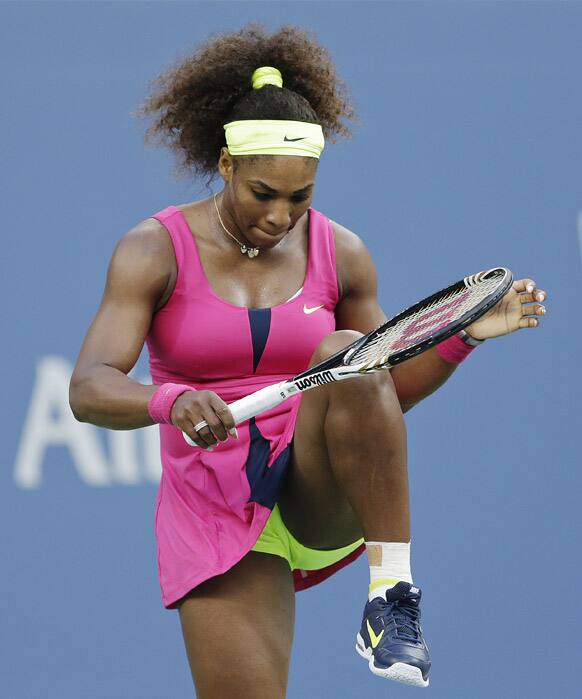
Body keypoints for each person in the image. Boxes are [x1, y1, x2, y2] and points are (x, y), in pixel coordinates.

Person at [69, 24, 547, 698]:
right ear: (227, 165)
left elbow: (380, 387)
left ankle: (391, 596)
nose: (281, 215)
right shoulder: (153, 249)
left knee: (342, 355)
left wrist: (460, 338)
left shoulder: (342, 252)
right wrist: (170, 399)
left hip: (316, 483)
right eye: (263, 193)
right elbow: (88, 389)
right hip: (216, 505)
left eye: (301, 196)